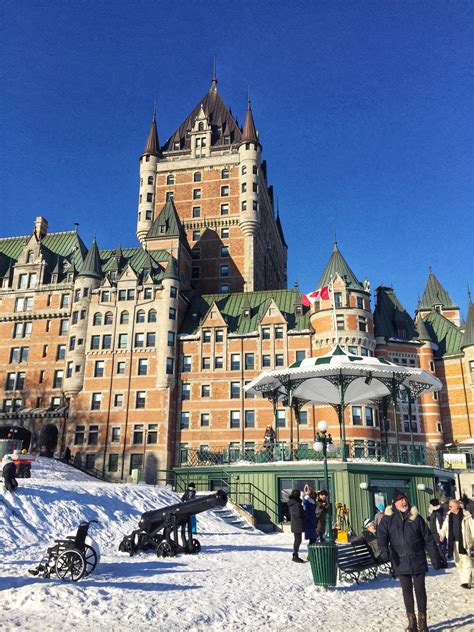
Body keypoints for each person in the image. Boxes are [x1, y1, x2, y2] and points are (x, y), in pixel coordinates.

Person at [377, 490, 442, 632]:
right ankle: (412, 622)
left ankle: (423, 622)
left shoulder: (416, 518)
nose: (403, 502)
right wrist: (384, 549)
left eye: (405, 499)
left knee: (420, 591)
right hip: (400, 561)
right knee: (407, 592)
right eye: (400, 500)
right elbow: (381, 536)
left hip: (417, 559)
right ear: (394, 503)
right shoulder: (388, 519)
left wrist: (435, 557)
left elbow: (428, 539)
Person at [439, 499, 473, 589]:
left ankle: (466, 581)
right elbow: (445, 526)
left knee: (466, 561)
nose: (449, 508)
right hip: (453, 542)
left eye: (450, 506)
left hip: (464, 541)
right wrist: (442, 534)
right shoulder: (449, 516)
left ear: (456, 506)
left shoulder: (466, 515)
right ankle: (464, 579)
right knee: (458, 562)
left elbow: (472, 527)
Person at [287, 489, 305, 563]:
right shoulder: (296, 504)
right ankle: (295, 555)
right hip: (297, 524)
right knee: (298, 540)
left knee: (297, 540)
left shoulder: (292, 503)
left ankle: (295, 555)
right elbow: (298, 514)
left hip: (295, 523)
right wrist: (304, 513)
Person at [302, 484, 317, 552]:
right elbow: (305, 503)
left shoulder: (312, 501)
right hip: (309, 522)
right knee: (312, 538)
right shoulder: (306, 500)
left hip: (313, 521)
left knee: (313, 539)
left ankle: (311, 553)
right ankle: (310, 553)